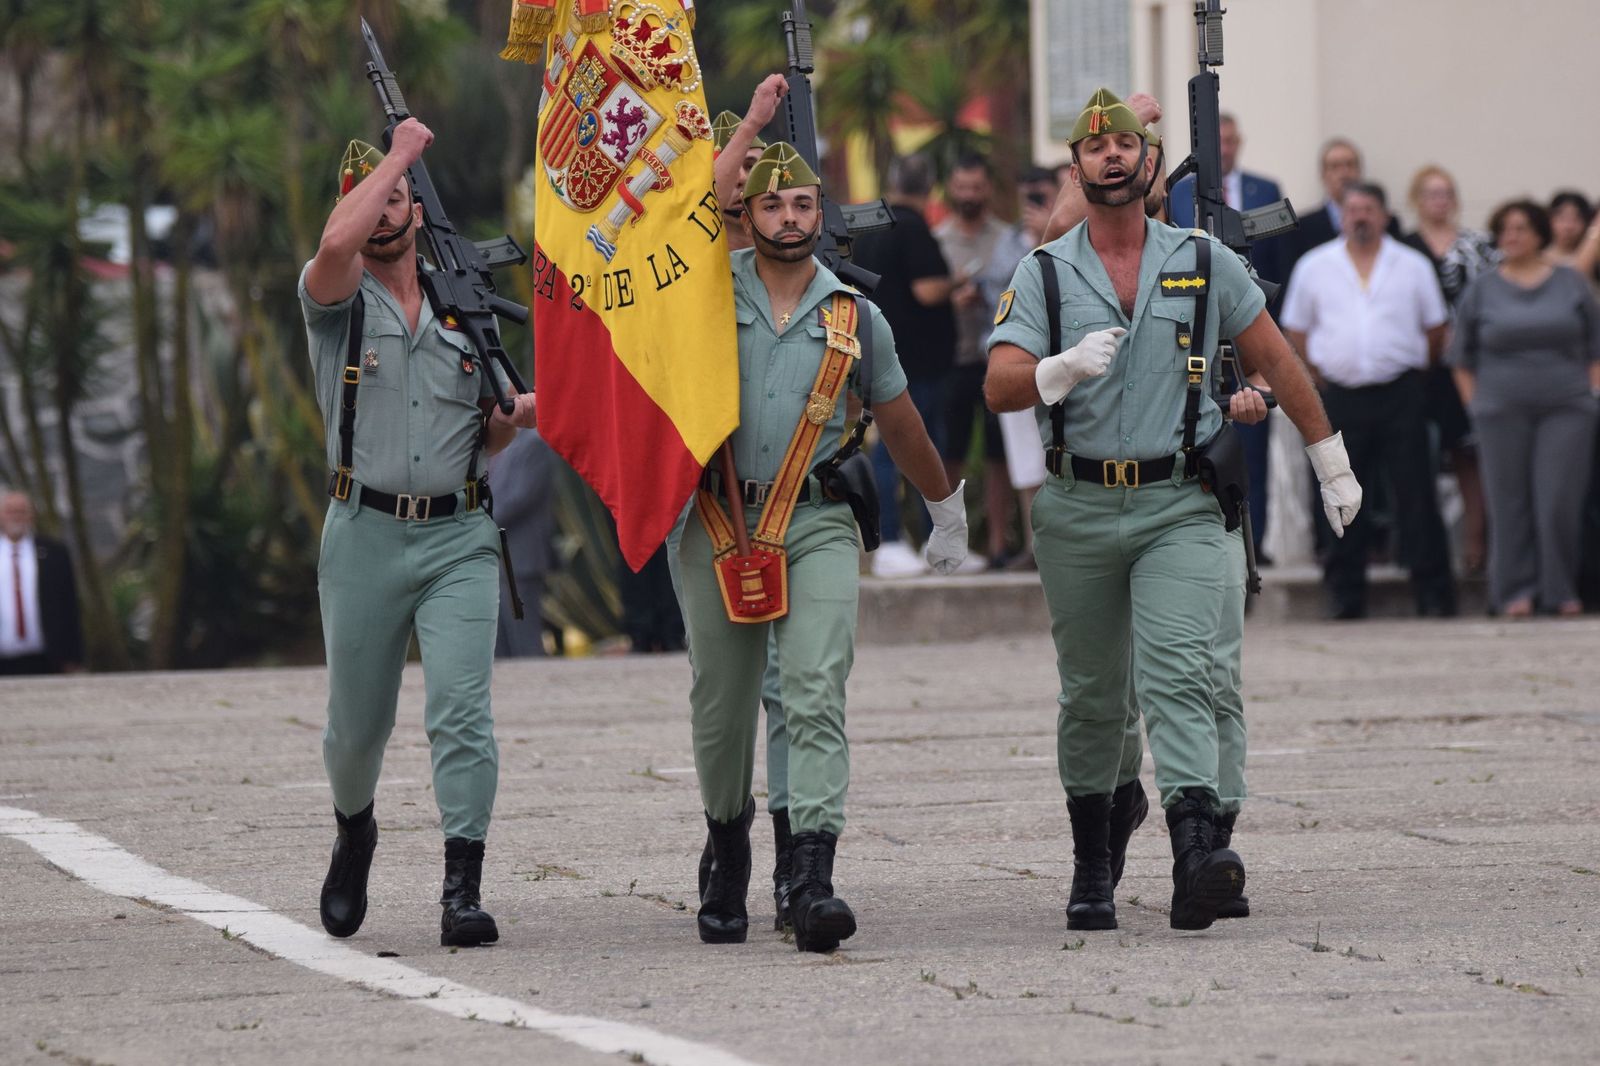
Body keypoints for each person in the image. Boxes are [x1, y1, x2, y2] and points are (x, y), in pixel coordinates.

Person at [986, 89, 1358, 932]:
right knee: (1091, 697)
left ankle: (1198, 854)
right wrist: (1059, 369)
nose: (1114, 156)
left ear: (1152, 164)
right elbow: (999, 383)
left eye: (1128, 144)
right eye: (1097, 147)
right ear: (1076, 170)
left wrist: (1328, 458)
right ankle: (1093, 862)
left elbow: (1277, 359)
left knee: (1184, 672)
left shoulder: (1201, 258)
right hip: (1078, 505)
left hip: (1181, 502)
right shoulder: (1045, 270)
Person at [677, 143, 967, 952]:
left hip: (818, 520)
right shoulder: (698, 297)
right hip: (716, 521)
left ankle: (810, 876)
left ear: (822, 211)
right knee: (723, 707)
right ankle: (728, 851)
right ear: (748, 212)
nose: (789, 218)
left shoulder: (855, 315)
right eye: (772, 205)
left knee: (814, 687)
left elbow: (902, 421)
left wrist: (944, 505)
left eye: (803, 203)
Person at [299, 120, 538, 947]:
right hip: (363, 533)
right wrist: (399, 153)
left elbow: (490, 428)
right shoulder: (332, 296)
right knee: (354, 729)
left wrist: (519, 417)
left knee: (462, 711)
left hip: (458, 535)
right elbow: (336, 243)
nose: (388, 208)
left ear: (417, 211)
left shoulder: (462, 303)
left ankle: (461, 888)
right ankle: (355, 827)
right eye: (376, 198)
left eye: (401, 195)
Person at [1281, 182, 1456, 619]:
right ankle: (1345, 594)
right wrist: (1317, 378)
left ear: (1384, 215)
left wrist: (1414, 372)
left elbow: (1435, 330)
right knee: (1341, 494)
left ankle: (1433, 592)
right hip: (1338, 398)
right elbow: (1295, 331)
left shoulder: (1413, 264)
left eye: (1368, 209)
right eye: (1352, 208)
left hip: (1400, 393)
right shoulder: (1314, 266)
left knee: (1416, 494)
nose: (1359, 216)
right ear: (1341, 215)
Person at [1449, 200, 1600, 617]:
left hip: (1567, 408)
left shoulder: (1571, 283)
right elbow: (1460, 358)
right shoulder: (1482, 289)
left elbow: (1595, 346)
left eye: (1521, 228)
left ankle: (1560, 590)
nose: (1511, 236)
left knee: (1558, 501)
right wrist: (1475, 404)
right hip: (1500, 410)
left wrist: (1591, 392)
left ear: (1539, 234)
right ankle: (1514, 591)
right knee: (1508, 501)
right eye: (1505, 229)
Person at [1168, 113, 1285, 561]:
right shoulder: (1179, 193)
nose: (1227, 149)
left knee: (1254, 428)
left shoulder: (1263, 189)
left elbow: (1276, 259)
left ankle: (1259, 538)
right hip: (1199, 320)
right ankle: (1214, 529)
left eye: (1233, 141)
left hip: (1250, 319)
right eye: (1220, 142)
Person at [851, 154, 958, 577]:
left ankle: (914, 540)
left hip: (880, 352)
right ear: (930, 186)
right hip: (914, 360)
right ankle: (899, 539)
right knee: (908, 448)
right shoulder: (913, 228)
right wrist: (960, 282)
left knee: (896, 447)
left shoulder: (872, 226)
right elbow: (928, 290)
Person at [1401, 165, 1495, 573]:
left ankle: (1477, 544)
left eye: (1446, 193)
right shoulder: (1401, 247)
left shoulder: (1478, 246)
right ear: (1417, 200)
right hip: (1419, 367)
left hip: (1468, 365)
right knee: (1415, 460)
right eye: (1431, 193)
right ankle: (1416, 549)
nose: (1439, 200)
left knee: (1469, 456)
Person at [980, 165, 1063, 568]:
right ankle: (1034, 547)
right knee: (1024, 460)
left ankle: (1060, 547)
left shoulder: (1073, 232)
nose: (1032, 201)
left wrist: (1052, 231)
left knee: (1057, 454)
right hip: (1017, 359)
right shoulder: (1010, 240)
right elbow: (998, 286)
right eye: (1026, 193)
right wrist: (1032, 238)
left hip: (1061, 360)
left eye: (1041, 193)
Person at [936, 154, 1013, 568]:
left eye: (976, 187)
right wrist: (953, 299)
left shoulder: (1006, 238)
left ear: (987, 189)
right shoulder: (939, 239)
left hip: (997, 359)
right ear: (951, 189)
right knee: (951, 453)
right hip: (954, 358)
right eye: (962, 187)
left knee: (1001, 456)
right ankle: (951, 545)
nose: (969, 195)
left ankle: (999, 544)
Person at [487, 429, 556, 658]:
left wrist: (479, 522)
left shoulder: (534, 443)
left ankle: (538, 689)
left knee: (525, 642)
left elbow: (521, 496)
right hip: (496, 558)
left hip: (521, 557)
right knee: (500, 644)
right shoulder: (494, 444)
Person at [0, 491, 82, 676]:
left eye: (21, 511)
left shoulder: (54, 553)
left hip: (46, 659)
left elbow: (69, 606)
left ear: (31, 515)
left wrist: (74, 657)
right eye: (10, 511)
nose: (16, 517)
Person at [1547, 190, 1600, 284]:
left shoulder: (1594, 257)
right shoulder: (1537, 256)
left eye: (1576, 219)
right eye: (1562, 218)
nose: (1568, 226)